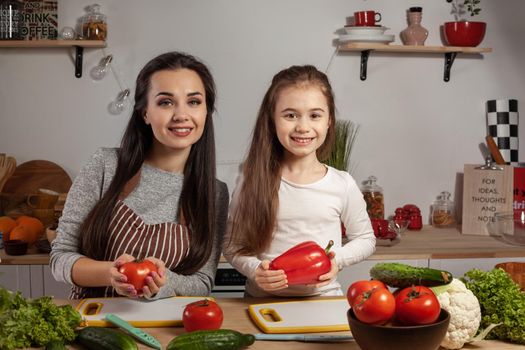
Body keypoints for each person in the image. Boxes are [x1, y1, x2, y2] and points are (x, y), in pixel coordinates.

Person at [50, 52, 229, 299]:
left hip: (164, 327)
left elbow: (202, 281)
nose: (181, 115)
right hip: (93, 322)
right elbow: (60, 257)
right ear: (145, 112)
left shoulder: (214, 193)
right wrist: (111, 273)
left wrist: (162, 282)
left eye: (194, 102)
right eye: (166, 102)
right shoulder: (106, 165)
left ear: (206, 110)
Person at [224, 65, 375, 297]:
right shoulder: (252, 180)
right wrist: (256, 271)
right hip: (262, 305)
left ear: (329, 121)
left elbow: (365, 239)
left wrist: (337, 260)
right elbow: (232, 244)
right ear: (272, 121)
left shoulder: (341, 183)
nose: (303, 127)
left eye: (315, 115)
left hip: (324, 301)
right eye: (290, 115)